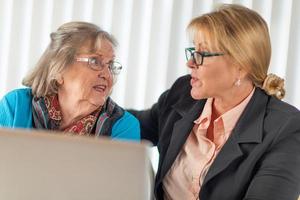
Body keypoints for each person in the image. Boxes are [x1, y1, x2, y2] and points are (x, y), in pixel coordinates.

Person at [129, 4, 300, 200]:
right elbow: (135, 126)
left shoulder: (286, 127)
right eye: (193, 50)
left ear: (241, 67)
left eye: (202, 54)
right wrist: (91, 101)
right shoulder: (183, 92)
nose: (190, 62)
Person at [0, 21, 140, 141]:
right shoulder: (15, 105)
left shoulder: (123, 127)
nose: (107, 74)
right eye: (95, 61)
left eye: (110, 65)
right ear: (59, 69)